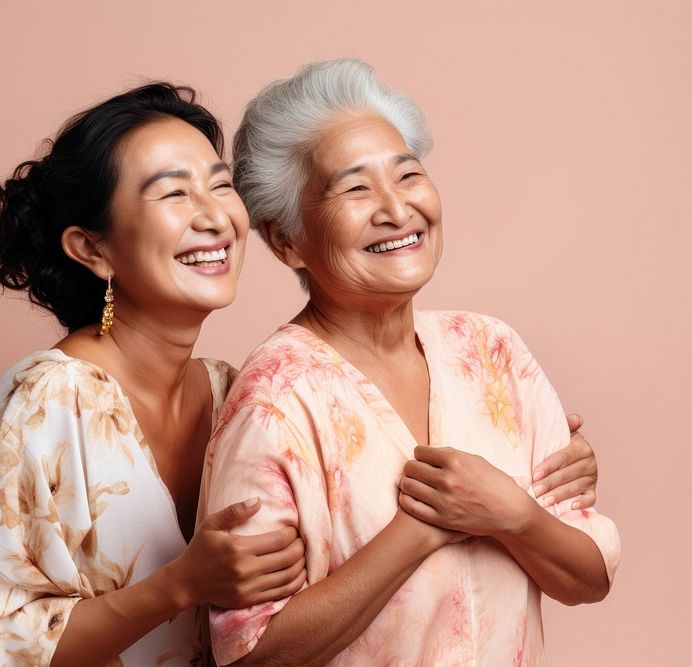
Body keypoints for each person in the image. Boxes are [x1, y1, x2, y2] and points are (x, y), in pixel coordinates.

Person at [202, 58, 621, 666]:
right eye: (354, 188)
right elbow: (249, 653)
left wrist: (514, 516)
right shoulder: (276, 398)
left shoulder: (491, 351)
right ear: (286, 240)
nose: (396, 209)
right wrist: (420, 530)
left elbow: (588, 579)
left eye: (408, 174)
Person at [0, 83, 309, 667]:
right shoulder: (52, 399)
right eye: (173, 194)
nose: (214, 215)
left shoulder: (230, 391)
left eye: (219, 184)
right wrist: (182, 584)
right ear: (93, 250)